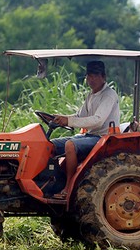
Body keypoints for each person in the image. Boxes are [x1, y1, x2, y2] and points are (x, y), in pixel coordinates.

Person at [50, 60, 120, 194]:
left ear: (103, 77)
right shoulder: (91, 95)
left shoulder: (109, 95)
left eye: (95, 75)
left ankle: (69, 187)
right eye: (89, 76)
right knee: (51, 145)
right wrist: (61, 118)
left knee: (70, 145)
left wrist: (69, 121)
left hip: (103, 138)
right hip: (90, 136)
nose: (91, 79)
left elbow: (97, 121)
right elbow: (79, 115)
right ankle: (53, 184)